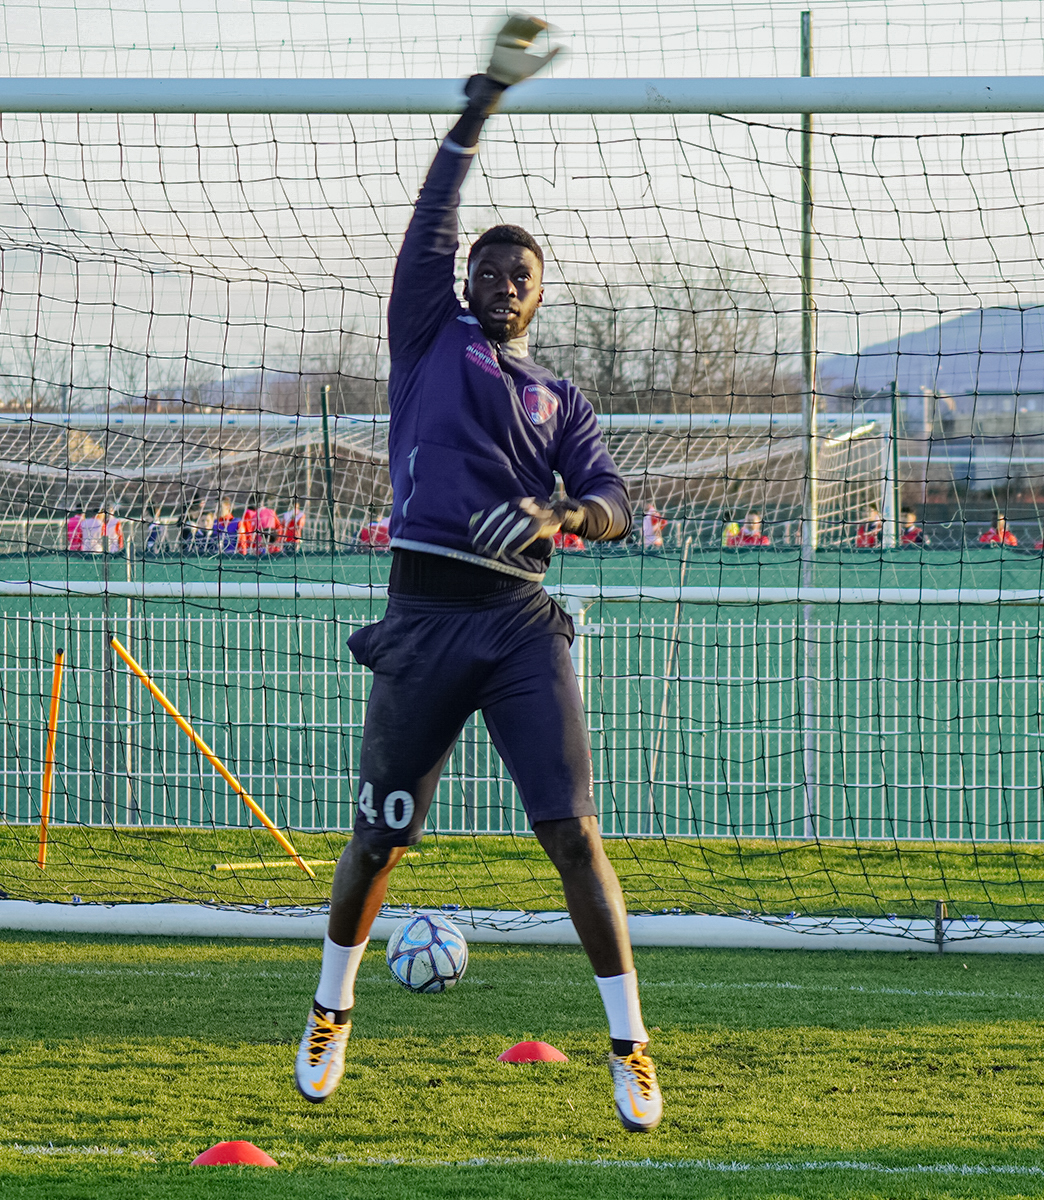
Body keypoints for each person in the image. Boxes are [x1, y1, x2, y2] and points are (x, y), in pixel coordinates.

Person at [292, 26, 660, 1133]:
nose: (503, 283)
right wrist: (482, 105)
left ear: (540, 297)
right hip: (422, 620)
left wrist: (562, 511)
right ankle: (329, 1009)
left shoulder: (561, 399)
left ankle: (631, 1045)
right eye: (489, 271)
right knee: (378, 840)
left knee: (573, 834)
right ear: (465, 283)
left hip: (515, 626)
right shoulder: (427, 338)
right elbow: (430, 221)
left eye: (521, 276)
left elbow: (617, 502)